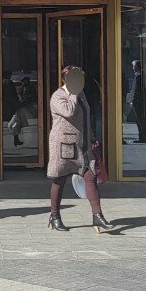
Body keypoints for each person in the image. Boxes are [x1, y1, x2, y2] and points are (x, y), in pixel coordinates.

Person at [46, 66, 114, 234]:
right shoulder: (58, 96)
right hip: (63, 145)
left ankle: (97, 215)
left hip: (82, 144)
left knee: (91, 177)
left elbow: (86, 118)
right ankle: (55, 216)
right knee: (59, 179)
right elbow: (68, 111)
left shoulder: (81, 94)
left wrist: (92, 137)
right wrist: (73, 92)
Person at [127, 60, 146, 144]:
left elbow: (136, 91)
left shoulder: (138, 76)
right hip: (140, 101)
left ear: (137, 67)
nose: (132, 68)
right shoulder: (141, 76)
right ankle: (144, 137)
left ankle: (142, 137)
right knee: (142, 120)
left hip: (138, 102)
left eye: (133, 66)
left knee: (140, 120)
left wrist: (132, 100)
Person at [2, 71, 23, 148]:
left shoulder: (1, 82)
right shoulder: (9, 82)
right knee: (14, 122)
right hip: (10, 105)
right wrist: (17, 104)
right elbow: (13, 94)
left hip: (4, 105)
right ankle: (16, 139)